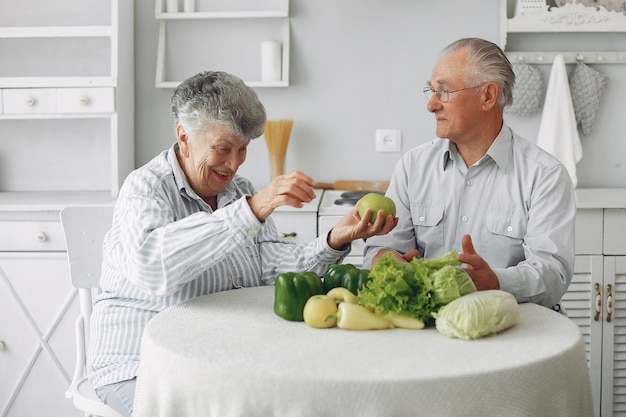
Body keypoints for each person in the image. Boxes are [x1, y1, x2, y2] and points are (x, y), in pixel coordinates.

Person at [89, 70, 397, 417]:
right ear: (184, 137)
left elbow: (272, 270)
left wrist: (332, 242)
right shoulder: (145, 189)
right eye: (222, 149)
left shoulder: (240, 191)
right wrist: (252, 210)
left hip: (217, 361)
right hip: (139, 364)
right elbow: (152, 269)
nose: (233, 164)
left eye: (243, 150)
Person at [363, 38, 576, 310]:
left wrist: (494, 281)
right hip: (427, 329)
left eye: (444, 91)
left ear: (487, 96)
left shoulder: (545, 176)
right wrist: (383, 258)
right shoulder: (412, 167)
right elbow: (382, 249)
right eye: (431, 91)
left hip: (513, 331)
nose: (431, 105)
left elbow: (553, 276)